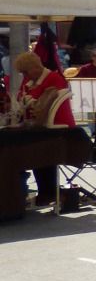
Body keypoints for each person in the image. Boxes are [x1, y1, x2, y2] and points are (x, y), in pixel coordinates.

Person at [12, 51, 75, 206]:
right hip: (42, 128)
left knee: (38, 151)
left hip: (57, 129)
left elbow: (40, 103)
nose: (24, 76)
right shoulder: (30, 80)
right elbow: (22, 97)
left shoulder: (54, 79)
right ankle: (42, 192)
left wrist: (29, 101)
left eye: (25, 72)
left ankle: (47, 192)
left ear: (34, 68)